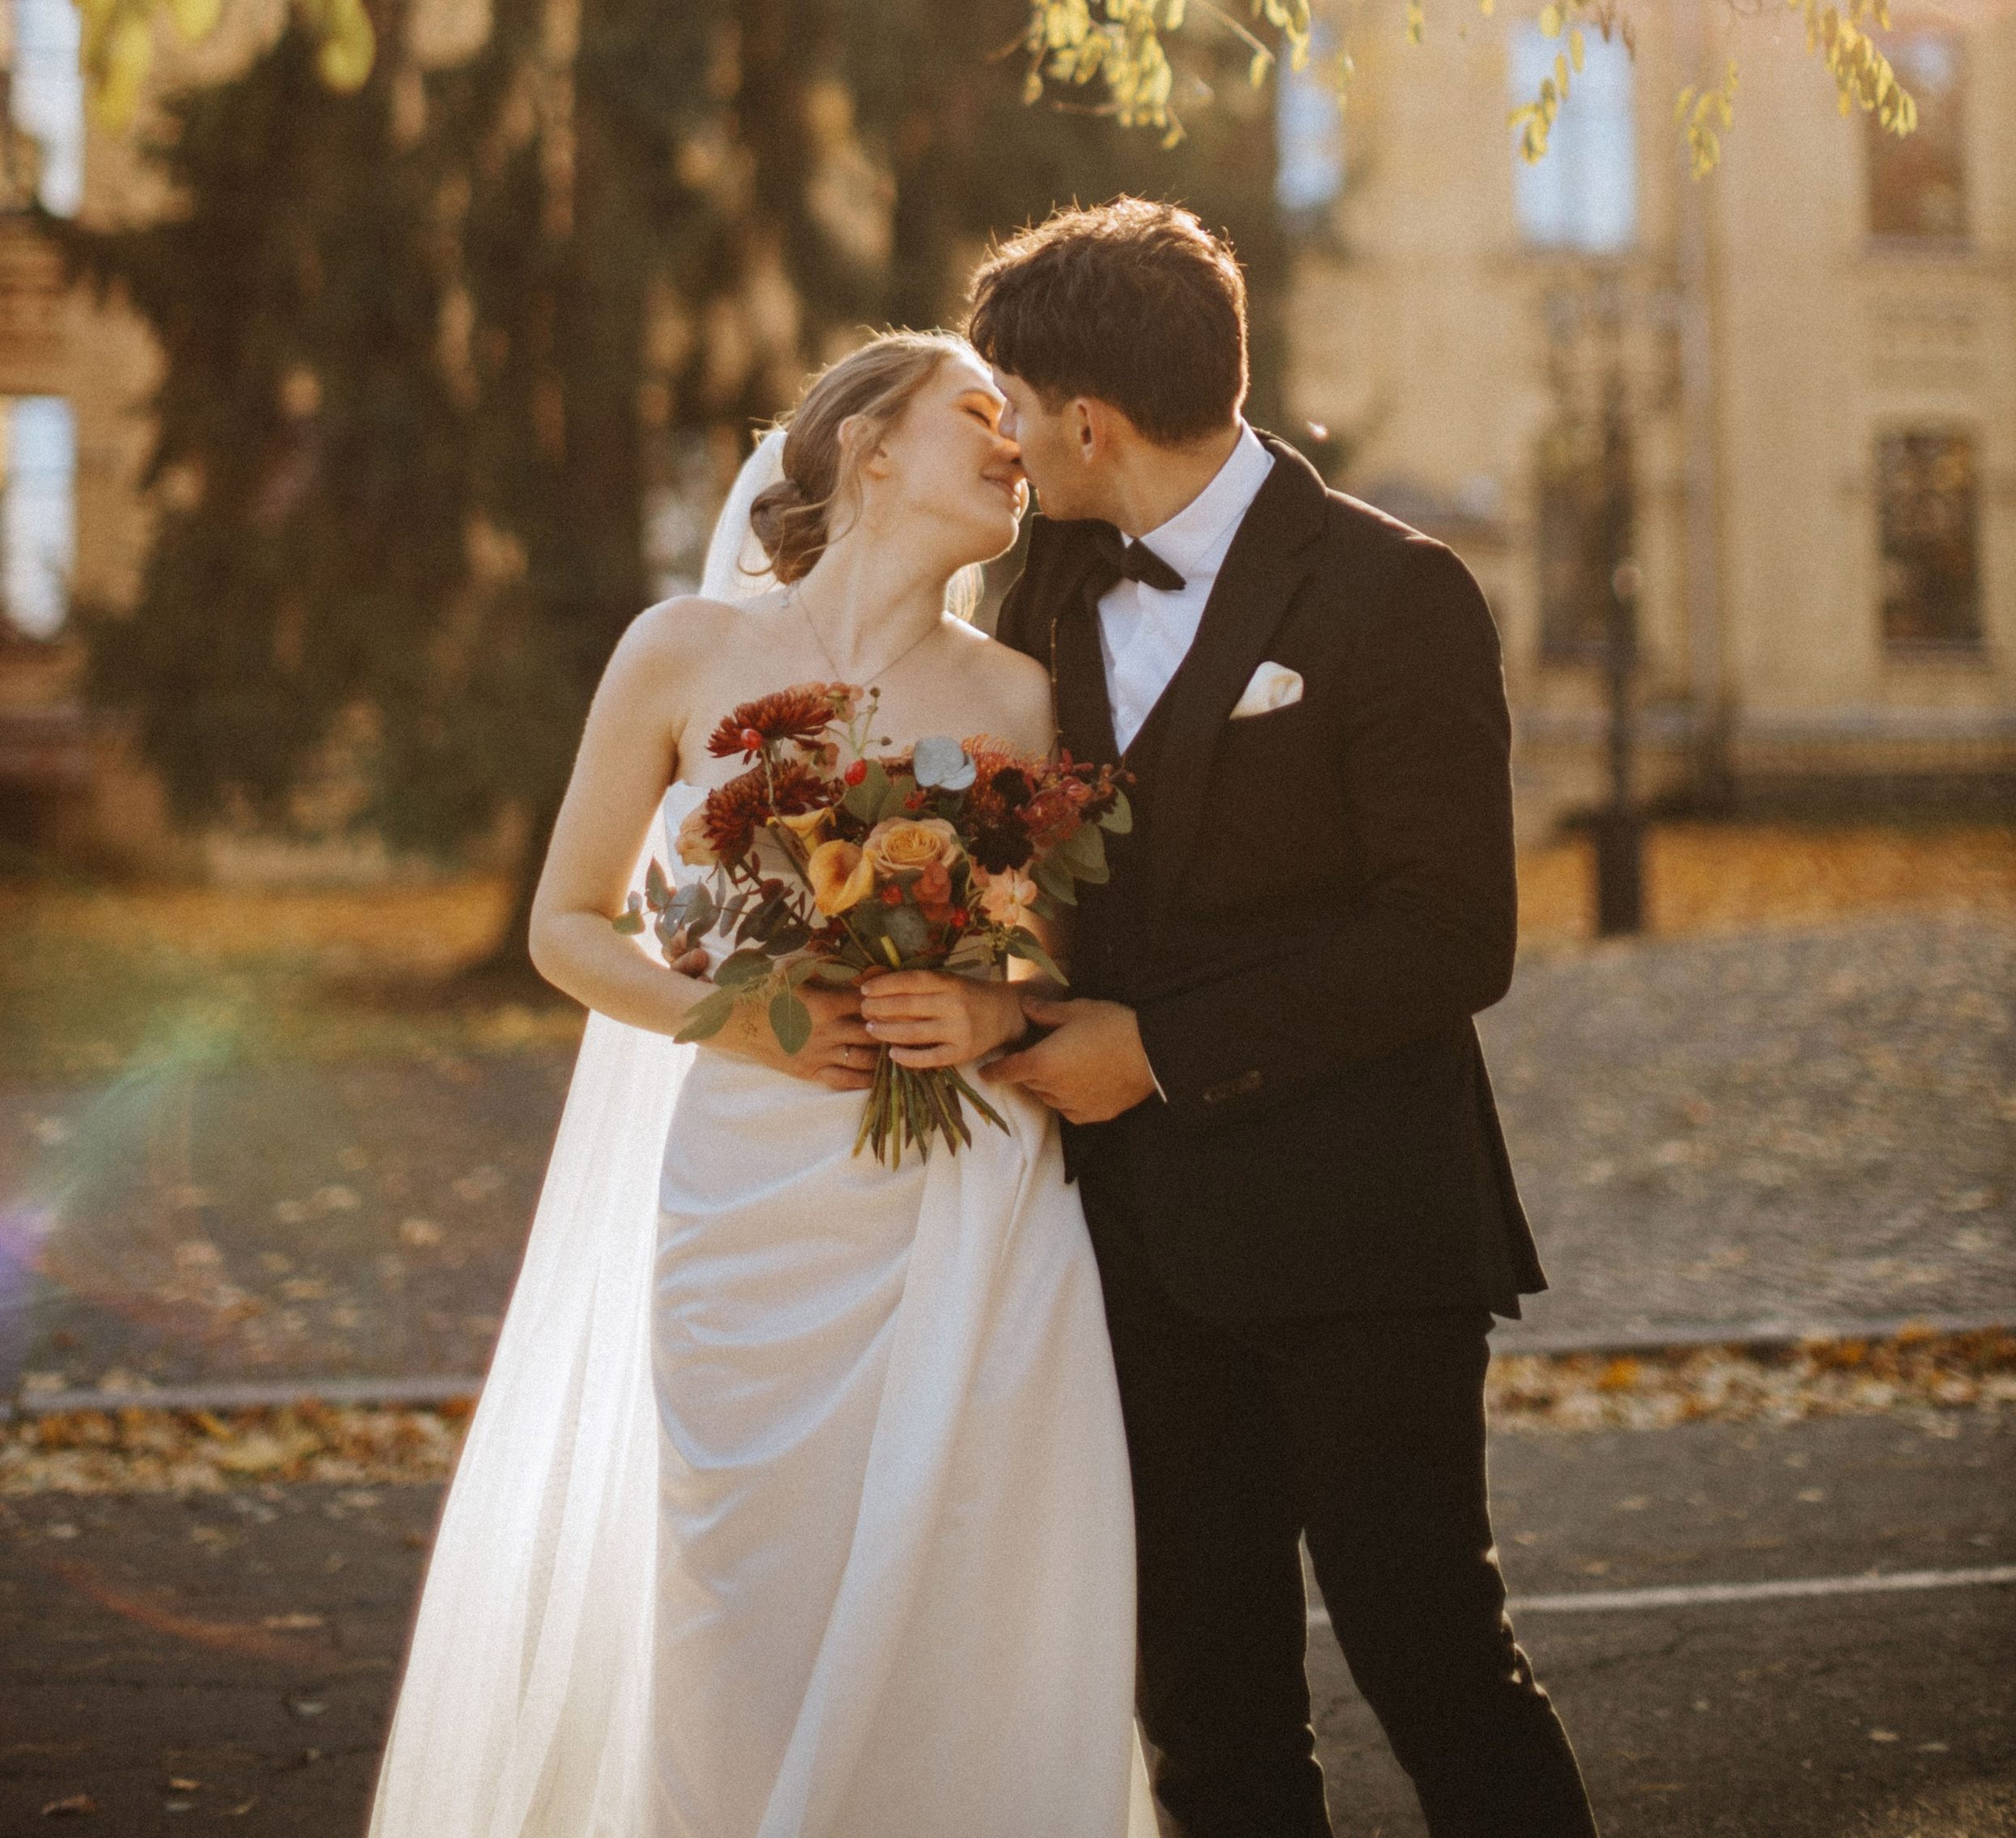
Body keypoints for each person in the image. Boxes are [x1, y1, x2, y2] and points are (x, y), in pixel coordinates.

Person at [367, 332, 1152, 1838]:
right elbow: (564, 926)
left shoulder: (1016, 696)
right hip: (747, 1204)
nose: (1015, 446)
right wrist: (726, 1021)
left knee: (965, 1594)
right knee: (742, 1603)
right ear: (869, 448)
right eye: (979, 416)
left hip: (962, 1202)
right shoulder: (682, 653)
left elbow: (1050, 957)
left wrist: (982, 1012)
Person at [970, 199, 1599, 1838]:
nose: (1005, 440)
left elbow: (1451, 935)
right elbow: (1036, 871)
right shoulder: (1038, 597)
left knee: (1432, 1664)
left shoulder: (1396, 592)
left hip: (1362, 1235)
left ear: (1085, 417)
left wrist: (1155, 1052)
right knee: (1203, 1703)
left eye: (1012, 407)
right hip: (1130, 1246)